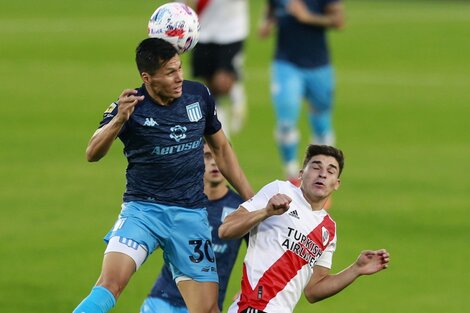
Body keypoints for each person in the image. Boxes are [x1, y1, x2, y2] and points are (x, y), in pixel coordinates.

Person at [73, 38, 253, 313]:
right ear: (147, 78)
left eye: (179, 68)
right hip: (143, 211)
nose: (179, 77)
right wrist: (119, 120)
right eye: (170, 73)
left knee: (206, 308)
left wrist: (251, 200)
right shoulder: (130, 106)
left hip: (190, 216)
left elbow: (221, 148)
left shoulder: (199, 96)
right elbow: (92, 152)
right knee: (109, 284)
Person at [219, 144, 390, 313]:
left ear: (336, 184)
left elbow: (313, 291)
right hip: (254, 307)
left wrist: (356, 269)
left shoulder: (328, 229)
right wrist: (266, 212)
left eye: (330, 171)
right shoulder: (281, 190)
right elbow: (225, 229)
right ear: (301, 173)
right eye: (316, 167)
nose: (322, 174)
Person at [140, 141, 248, 313]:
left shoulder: (241, 207)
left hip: (206, 307)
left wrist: (247, 290)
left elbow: (261, 253)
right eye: (206, 156)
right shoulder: (182, 200)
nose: (214, 162)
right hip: (163, 300)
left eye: (218, 156)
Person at [258, 0, 345, 183]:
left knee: (321, 122)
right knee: (286, 121)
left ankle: (324, 177)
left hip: (318, 65)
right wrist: (266, 23)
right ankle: (291, 174)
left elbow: (338, 20)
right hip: (286, 64)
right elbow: (271, 9)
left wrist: (307, 17)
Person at [188, 0, 249, 136]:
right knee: (209, 88)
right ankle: (221, 129)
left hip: (231, 31)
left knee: (221, 82)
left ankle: (235, 92)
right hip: (202, 30)